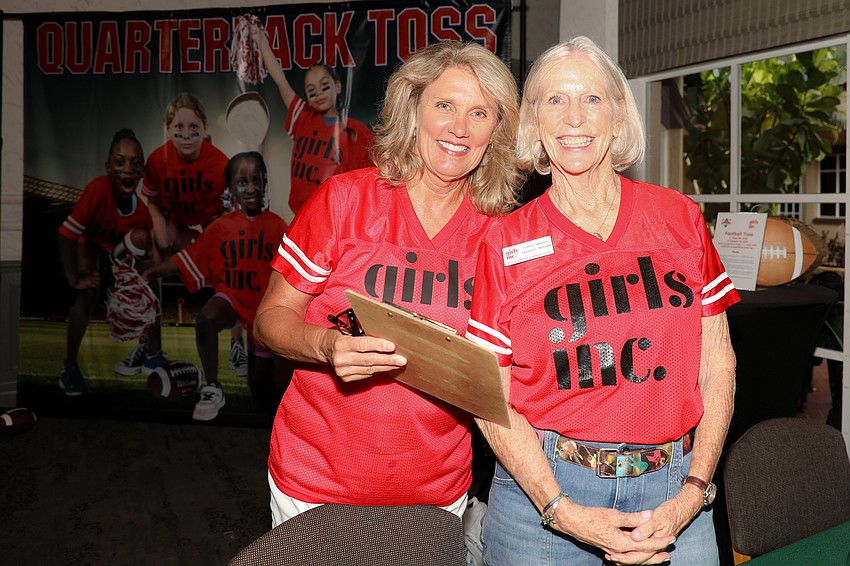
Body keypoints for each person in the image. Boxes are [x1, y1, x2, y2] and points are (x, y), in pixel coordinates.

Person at [465, 37, 741, 565]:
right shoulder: (503, 244)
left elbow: (718, 362)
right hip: (542, 501)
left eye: (592, 99)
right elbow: (490, 400)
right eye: (555, 100)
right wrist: (562, 510)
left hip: (676, 493)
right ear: (535, 125)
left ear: (618, 116)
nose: (575, 117)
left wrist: (692, 493)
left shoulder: (680, 218)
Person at [253, 41, 522, 527]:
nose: (458, 129)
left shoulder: (502, 237)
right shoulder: (343, 200)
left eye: (479, 113)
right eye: (444, 106)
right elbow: (269, 321)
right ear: (413, 107)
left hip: (435, 495)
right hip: (313, 483)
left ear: (496, 130)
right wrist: (327, 345)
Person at [142, 152, 287, 420]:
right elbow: (186, 259)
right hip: (231, 298)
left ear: (265, 182)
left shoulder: (278, 226)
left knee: (261, 389)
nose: (251, 187)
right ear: (231, 189)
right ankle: (212, 385)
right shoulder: (221, 226)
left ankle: (272, 430)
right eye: (242, 182)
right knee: (206, 318)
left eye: (256, 180)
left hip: (262, 310)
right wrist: (151, 272)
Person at [116, 93, 249, 377]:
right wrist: (162, 232)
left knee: (229, 264)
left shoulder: (219, 164)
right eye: (179, 128)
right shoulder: (157, 160)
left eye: (193, 128)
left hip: (210, 217)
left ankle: (238, 343)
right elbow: (152, 200)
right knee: (152, 256)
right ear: (167, 129)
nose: (186, 135)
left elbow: (229, 217)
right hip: (173, 214)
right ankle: (148, 345)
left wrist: (209, 241)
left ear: (205, 129)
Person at [58, 128, 165, 395]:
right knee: (88, 291)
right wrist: (74, 278)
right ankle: (69, 366)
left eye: (135, 163)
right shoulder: (97, 190)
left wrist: (142, 270)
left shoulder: (140, 213)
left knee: (151, 282)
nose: (127, 168)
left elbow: (145, 253)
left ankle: (153, 354)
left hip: (117, 248)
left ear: (141, 172)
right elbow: (67, 234)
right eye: (120, 162)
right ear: (108, 167)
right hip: (90, 242)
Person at [249, 23, 375, 216]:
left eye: (324, 86)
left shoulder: (356, 131)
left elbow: (372, 177)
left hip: (337, 216)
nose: (319, 94)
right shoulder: (303, 117)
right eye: (311, 91)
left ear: (338, 87)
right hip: (302, 215)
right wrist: (261, 42)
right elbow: (280, 80)